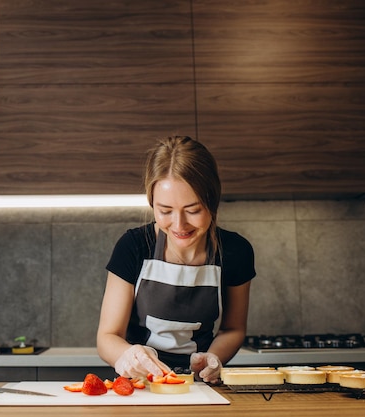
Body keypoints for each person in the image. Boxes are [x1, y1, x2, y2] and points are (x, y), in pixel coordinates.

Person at [96, 135, 256, 384]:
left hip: (200, 385)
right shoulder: (133, 246)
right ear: (152, 203)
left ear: (212, 202)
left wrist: (214, 358)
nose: (179, 225)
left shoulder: (236, 251)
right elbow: (107, 336)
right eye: (165, 211)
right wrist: (129, 354)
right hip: (139, 384)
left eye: (193, 210)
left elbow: (233, 329)